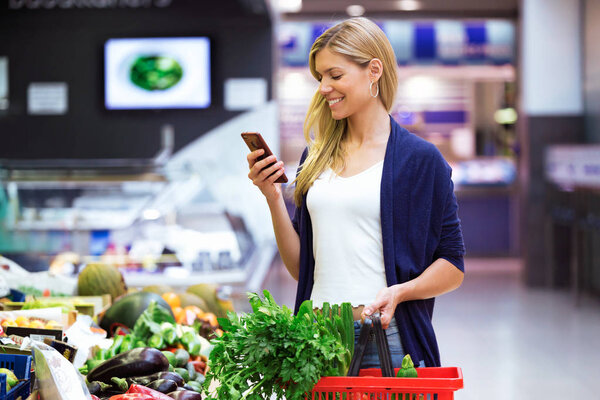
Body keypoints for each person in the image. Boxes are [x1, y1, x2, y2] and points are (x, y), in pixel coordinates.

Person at [246, 17, 465, 368]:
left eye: (335, 75)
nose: (323, 88)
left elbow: (453, 265)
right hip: (315, 339)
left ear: (373, 70)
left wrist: (401, 291)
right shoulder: (315, 158)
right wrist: (273, 196)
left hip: (385, 337)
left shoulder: (421, 160)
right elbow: (302, 268)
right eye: (320, 78)